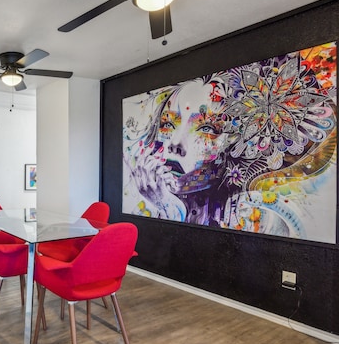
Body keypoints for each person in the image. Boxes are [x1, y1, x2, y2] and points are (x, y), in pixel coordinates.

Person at [123, 43, 337, 242]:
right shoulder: (147, 197)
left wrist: (167, 206)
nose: (175, 144)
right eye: (168, 124)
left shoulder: (257, 215)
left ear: (235, 145)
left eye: (206, 128)